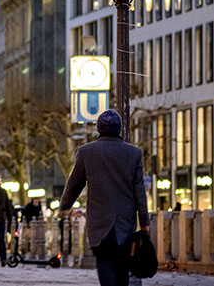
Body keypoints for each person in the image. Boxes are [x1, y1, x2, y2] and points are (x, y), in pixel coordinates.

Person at [59, 109, 149, 286]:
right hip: (124, 220)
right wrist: (144, 220)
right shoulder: (134, 153)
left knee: (104, 260)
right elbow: (139, 190)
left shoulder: (86, 152)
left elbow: (74, 184)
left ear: (99, 128)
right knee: (122, 264)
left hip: (99, 220)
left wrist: (64, 207)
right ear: (119, 129)